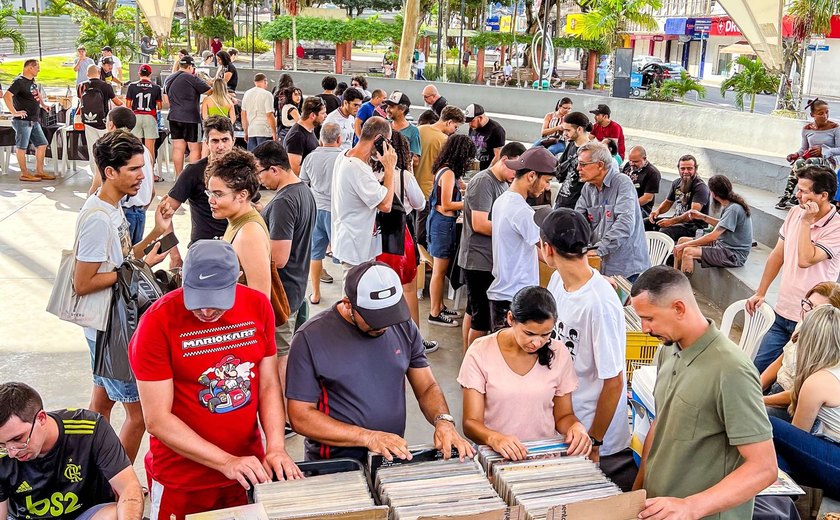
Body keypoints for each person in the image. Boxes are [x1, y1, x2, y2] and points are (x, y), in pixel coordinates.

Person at [129, 240, 302, 519]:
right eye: (197, 300)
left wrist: (277, 447)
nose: (207, 312)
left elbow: (268, 385)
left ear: (236, 281)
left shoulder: (258, 306)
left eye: (217, 301)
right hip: (182, 479)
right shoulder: (157, 322)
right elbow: (157, 419)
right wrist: (226, 462)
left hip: (246, 471)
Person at [286, 261, 475, 463]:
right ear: (348, 303)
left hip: (389, 455)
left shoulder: (402, 324)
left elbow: (427, 386)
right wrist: (368, 437)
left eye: (389, 314)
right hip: (336, 464)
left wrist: (443, 420)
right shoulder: (310, 338)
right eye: (375, 317)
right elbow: (300, 416)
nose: (384, 325)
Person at [630, 266, 778, 517]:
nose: (644, 328)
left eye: (650, 318)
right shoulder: (668, 348)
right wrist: (639, 491)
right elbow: (660, 424)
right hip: (661, 508)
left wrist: (691, 506)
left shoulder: (732, 370)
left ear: (679, 308)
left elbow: (764, 468)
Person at [74, 130, 172, 462]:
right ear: (109, 171)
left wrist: (157, 234)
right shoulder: (98, 219)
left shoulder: (112, 207)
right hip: (111, 330)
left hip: (105, 325)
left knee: (101, 404)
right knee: (140, 415)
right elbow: (83, 282)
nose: (141, 176)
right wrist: (129, 272)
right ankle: (118, 484)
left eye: (142, 168)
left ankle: (91, 474)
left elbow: (123, 259)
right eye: (133, 169)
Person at [537, 207, 635, 491]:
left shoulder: (599, 304)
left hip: (595, 436)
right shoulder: (558, 280)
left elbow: (614, 381)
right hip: (565, 421)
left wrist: (595, 441)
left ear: (548, 249)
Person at [459, 286, 592, 459]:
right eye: (529, 333)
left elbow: (563, 415)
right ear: (510, 319)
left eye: (545, 334)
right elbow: (470, 423)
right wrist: (495, 439)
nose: (537, 343)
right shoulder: (480, 352)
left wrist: (576, 427)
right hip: (497, 457)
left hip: (543, 459)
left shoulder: (559, 353)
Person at [0, 382, 144, 520]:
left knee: (121, 513)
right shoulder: (3, 454)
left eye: (18, 438)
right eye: (2, 444)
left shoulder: (91, 429)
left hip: (85, 514)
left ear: (41, 418)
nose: (12, 452)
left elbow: (129, 488)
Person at [748, 164, 840, 373]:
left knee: (790, 380)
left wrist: (806, 223)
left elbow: (805, 259)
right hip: (783, 312)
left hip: (812, 321)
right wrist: (760, 292)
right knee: (756, 373)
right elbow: (777, 255)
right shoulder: (794, 213)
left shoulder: (836, 227)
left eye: (804, 191)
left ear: (823, 195)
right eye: (798, 189)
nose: (797, 195)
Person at [254, 140, 316, 383]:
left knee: (280, 358)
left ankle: (283, 416)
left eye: (259, 172)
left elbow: (278, 258)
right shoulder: (303, 191)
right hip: (297, 288)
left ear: (274, 170)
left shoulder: (283, 202)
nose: (259, 179)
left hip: (283, 294)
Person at [459, 142, 526, 348]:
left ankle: (469, 359)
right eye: (515, 170)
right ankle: (474, 364)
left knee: (474, 310)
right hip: (478, 261)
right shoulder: (483, 182)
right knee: (481, 318)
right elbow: (479, 223)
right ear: (505, 160)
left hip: (490, 259)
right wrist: (510, 230)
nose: (516, 177)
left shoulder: (503, 183)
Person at [769, 305, 840, 499]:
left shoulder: (818, 382)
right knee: (774, 458)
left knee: (770, 425)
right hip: (832, 455)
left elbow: (795, 438)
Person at [486, 147, 556, 331]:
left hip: (503, 294)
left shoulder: (502, 200)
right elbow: (546, 251)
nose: (547, 187)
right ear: (531, 176)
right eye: (547, 181)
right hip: (515, 299)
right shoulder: (521, 210)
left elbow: (536, 249)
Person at [160, 115, 235, 267]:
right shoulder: (193, 172)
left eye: (225, 140)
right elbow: (163, 213)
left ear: (233, 140)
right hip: (202, 252)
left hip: (236, 251)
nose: (220, 146)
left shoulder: (242, 170)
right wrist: (173, 255)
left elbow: (256, 206)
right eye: (215, 141)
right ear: (206, 142)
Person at [761, 281, 840, 421]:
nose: (808, 313)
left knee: (740, 414)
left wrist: (761, 400)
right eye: (808, 304)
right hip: (775, 389)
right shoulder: (804, 322)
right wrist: (757, 386)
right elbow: (783, 359)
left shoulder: (829, 348)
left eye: (817, 311)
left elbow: (799, 393)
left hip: (792, 405)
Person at [575, 141, 650, 280]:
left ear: (600, 165)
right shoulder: (588, 187)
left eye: (583, 164)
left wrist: (598, 250)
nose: (578, 168)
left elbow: (625, 224)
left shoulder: (622, 183)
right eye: (578, 163)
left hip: (624, 269)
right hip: (598, 265)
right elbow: (577, 219)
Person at [331, 117, 397, 269]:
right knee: (353, 291)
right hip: (355, 247)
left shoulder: (345, 155)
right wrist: (389, 168)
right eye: (388, 141)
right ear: (379, 139)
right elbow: (386, 205)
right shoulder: (357, 168)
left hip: (350, 241)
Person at [207, 148, 272, 299]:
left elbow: (261, 301)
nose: (211, 200)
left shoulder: (249, 234)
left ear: (242, 195)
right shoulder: (236, 221)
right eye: (209, 193)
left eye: (218, 194)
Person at [427, 135, 476, 327]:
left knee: (442, 268)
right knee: (439, 271)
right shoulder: (447, 173)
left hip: (441, 223)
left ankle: (439, 305)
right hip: (442, 224)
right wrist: (467, 204)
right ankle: (434, 312)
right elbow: (447, 204)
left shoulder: (445, 170)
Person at [86, 107, 155, 245]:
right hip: (140, 211)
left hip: (122, 211)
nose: (140, 175)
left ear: (110, 124)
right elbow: (152, 191)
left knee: (119, 258)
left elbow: (98, 182)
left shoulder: (108, 150)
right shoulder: (142, 150)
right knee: (132, 259)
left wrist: (89, 203)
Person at [673, 175, 753, 274]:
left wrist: (684, 245)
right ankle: (675, 277)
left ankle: (683, 287)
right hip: (723, 246)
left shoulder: (733, 209)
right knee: (681, 240)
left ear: (713, 194)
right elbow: (722, 224)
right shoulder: (731, 205)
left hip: (733, 254)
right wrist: (702, 216)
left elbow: (713, 236)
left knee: (688, 251)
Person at [301, 122, 343, 305]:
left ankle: (316, 293)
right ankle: (345, 297)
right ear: (339, 139)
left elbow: (302, 183)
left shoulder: (310, 157)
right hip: (337, 212)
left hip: (316, 210)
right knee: (344, 256)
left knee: (315, 254)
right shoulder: (344, 157)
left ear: (320, 139)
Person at [777, 98, 840, 209]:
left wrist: (824, 151)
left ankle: (800, 195)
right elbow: (803, 148)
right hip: (810, 159)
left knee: (810, 162)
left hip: (830, 161)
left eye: (826, 112)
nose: (825, 116)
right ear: (812, 115)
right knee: (799, 162)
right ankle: (787, 195)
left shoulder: (835, 128)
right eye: (820, 113)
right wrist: (795, 155)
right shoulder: (807, 129)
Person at [416, 106, 465, 247]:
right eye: (455, 127)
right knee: (424, 235)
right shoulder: (445, 141)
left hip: (412, 187)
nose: (455, 131)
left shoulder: (420, 129)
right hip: (428, 190)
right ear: (449, 122)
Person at [3, 59, 55, 182]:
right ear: (29, 68)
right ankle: (24, 173)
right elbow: (7, 96)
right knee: (21, 147)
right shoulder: (19, 82)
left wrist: (42, 104)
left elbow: (36, 94)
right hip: (23, 121)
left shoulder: (31, 82)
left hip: (34, 120)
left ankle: (39, 172)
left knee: (42, 144)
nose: (39, 70)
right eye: (37, 67)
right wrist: (14, 112)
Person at [164, 55, 212, 176]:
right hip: (191, 117)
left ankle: (179, 176)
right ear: (190, 67)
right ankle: (191, 178)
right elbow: (209, 91)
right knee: (194, 148)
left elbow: (165, 99)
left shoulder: (169, 78)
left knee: (178, 148)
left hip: (174, 116)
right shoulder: (191, 78)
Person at [648, 155, 711, 242]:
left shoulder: (700, 187)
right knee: (646, 223)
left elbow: (692, 214)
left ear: (695, 169)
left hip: (693, 226)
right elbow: (667, 202)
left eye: (689, 168)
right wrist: (657, 211)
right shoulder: (676, 183)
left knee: (664, 232)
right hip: (677, 221)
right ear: (678, 169)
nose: (685, 171)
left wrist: (671, 221)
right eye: (682, 168)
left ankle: (663, 255)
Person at [79, 64, 123, 184]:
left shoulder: (81, 86)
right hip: (104, 123)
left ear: (87, 74)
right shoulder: (105, 86)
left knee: (93, 149)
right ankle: (107, 175)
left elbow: (81, 103)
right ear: (98, 72)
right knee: (107, 149)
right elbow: (117, 102)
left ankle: (96, 176)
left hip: (88, 122)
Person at [126, 64, 163, 173]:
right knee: (149, 147)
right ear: (150, 74)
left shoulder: (132, 86)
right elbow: (159, 106)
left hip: (136, 116)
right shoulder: (156, 87)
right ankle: (150, 171)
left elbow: (128, 104)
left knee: (136, 146)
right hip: (150, 117)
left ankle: (136, 169)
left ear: (139, 74)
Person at [554, 111, 592, 209]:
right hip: (562, 201)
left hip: (577, 206)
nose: (564, 134)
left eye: (568, 130)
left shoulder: (591, 151)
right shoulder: (571, 144)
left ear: (579, 129)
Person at [285, 96, 326, 175]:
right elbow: (295, 169)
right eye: (323, 113)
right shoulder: (297, 136)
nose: (325, 116)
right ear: (312, 116)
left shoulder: (309, 129)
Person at [621, 145, 661, 225]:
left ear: (644, 159)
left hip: (641, 208)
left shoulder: (652, 173)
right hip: (624, 202)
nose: (632, 164)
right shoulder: (628, 166)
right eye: (630, 160)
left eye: (636, 161)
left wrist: (628, 205)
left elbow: (647, 198)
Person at [241, 73, 277, 151]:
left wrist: (246, 132)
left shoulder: (247, 94)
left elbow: (243, 114)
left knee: (252, 159)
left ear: (255, 82)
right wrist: (274, 132)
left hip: (251, 130)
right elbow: (269, 115)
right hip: (264, 131)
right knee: (264, 159)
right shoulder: (267, 94)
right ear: (265, 81)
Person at [466, 103, 506, 171]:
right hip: (474, 168)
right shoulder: (473, 127)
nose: (470, 124)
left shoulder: (496, 130)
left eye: (472, 121)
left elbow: (498, 155)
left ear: (480, 118)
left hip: (487, 169)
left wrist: (488, 171)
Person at [385, 91, 421, 164]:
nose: (387, 110)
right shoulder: (385, 125)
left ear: (402, 109)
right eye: (387, 106)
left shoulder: (413, 130)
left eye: (391, 107)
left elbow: (416, 161)